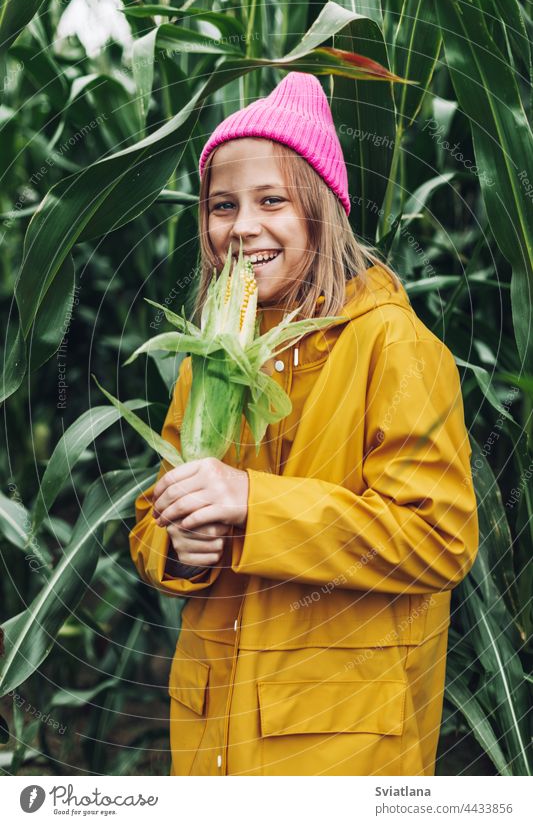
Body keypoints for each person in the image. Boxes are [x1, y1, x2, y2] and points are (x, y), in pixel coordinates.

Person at [129, 71, 479, 777]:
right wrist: (178, 547)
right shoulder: (210, 356)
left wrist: (253, 504)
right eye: (221, 205)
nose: (242, 225)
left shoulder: (393, 345)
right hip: (209, 747)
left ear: (322, 210)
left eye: (271, 200)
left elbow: (439, 540)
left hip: (335, 753)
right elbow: (156, 514)